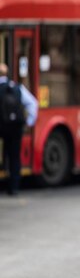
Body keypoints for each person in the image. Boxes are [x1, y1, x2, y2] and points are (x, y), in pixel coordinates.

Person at [0, 64, 38, 196]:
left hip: (2, 126)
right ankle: (14, 187)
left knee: (6, 153)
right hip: (16, 127)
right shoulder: (17, 88)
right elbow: (33, 103)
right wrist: (29, 122)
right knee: (15, 156)